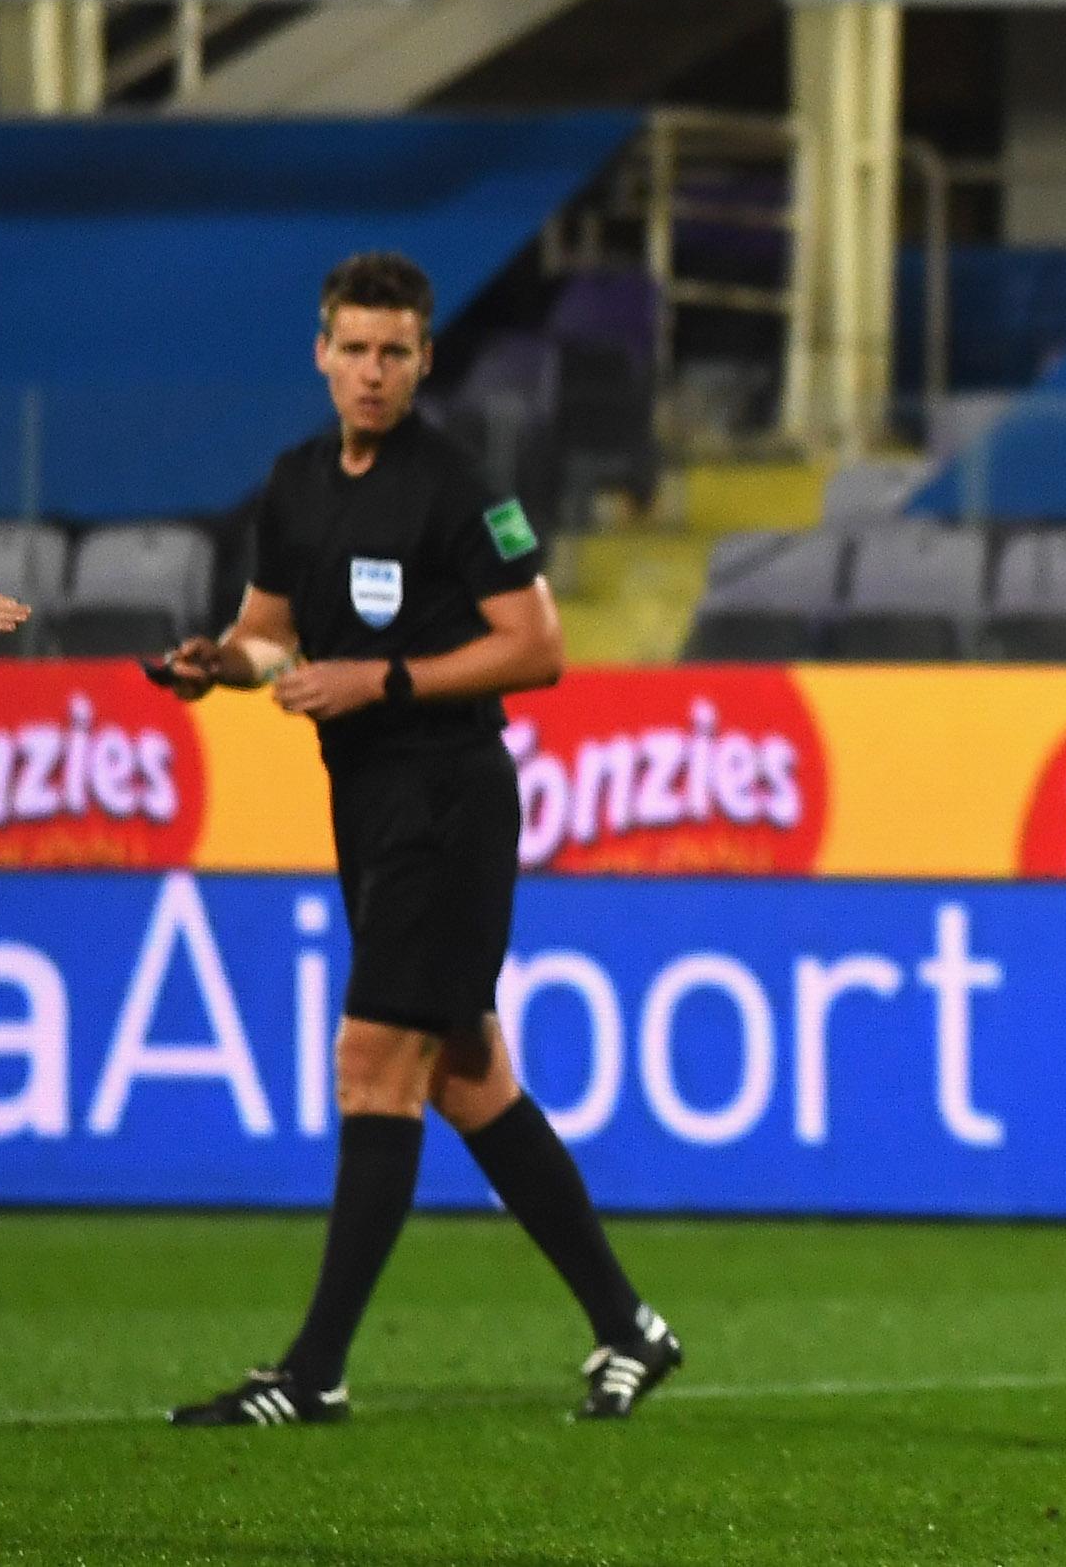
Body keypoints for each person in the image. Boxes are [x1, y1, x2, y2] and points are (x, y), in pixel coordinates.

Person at [158, 251, 680, 1426]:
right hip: (368, 803)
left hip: (447, 799)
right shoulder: (296, 483)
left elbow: (537, 646)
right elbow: (269, 639)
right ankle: (629, 1326)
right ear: (322, 354)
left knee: (373, 1061)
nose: (374, 372)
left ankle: (314, 1371)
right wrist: (214, 666)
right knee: (466, 1076)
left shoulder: (457, 486)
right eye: (355, 349)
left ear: (425, 359)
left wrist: (384, 681)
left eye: (396, 352)